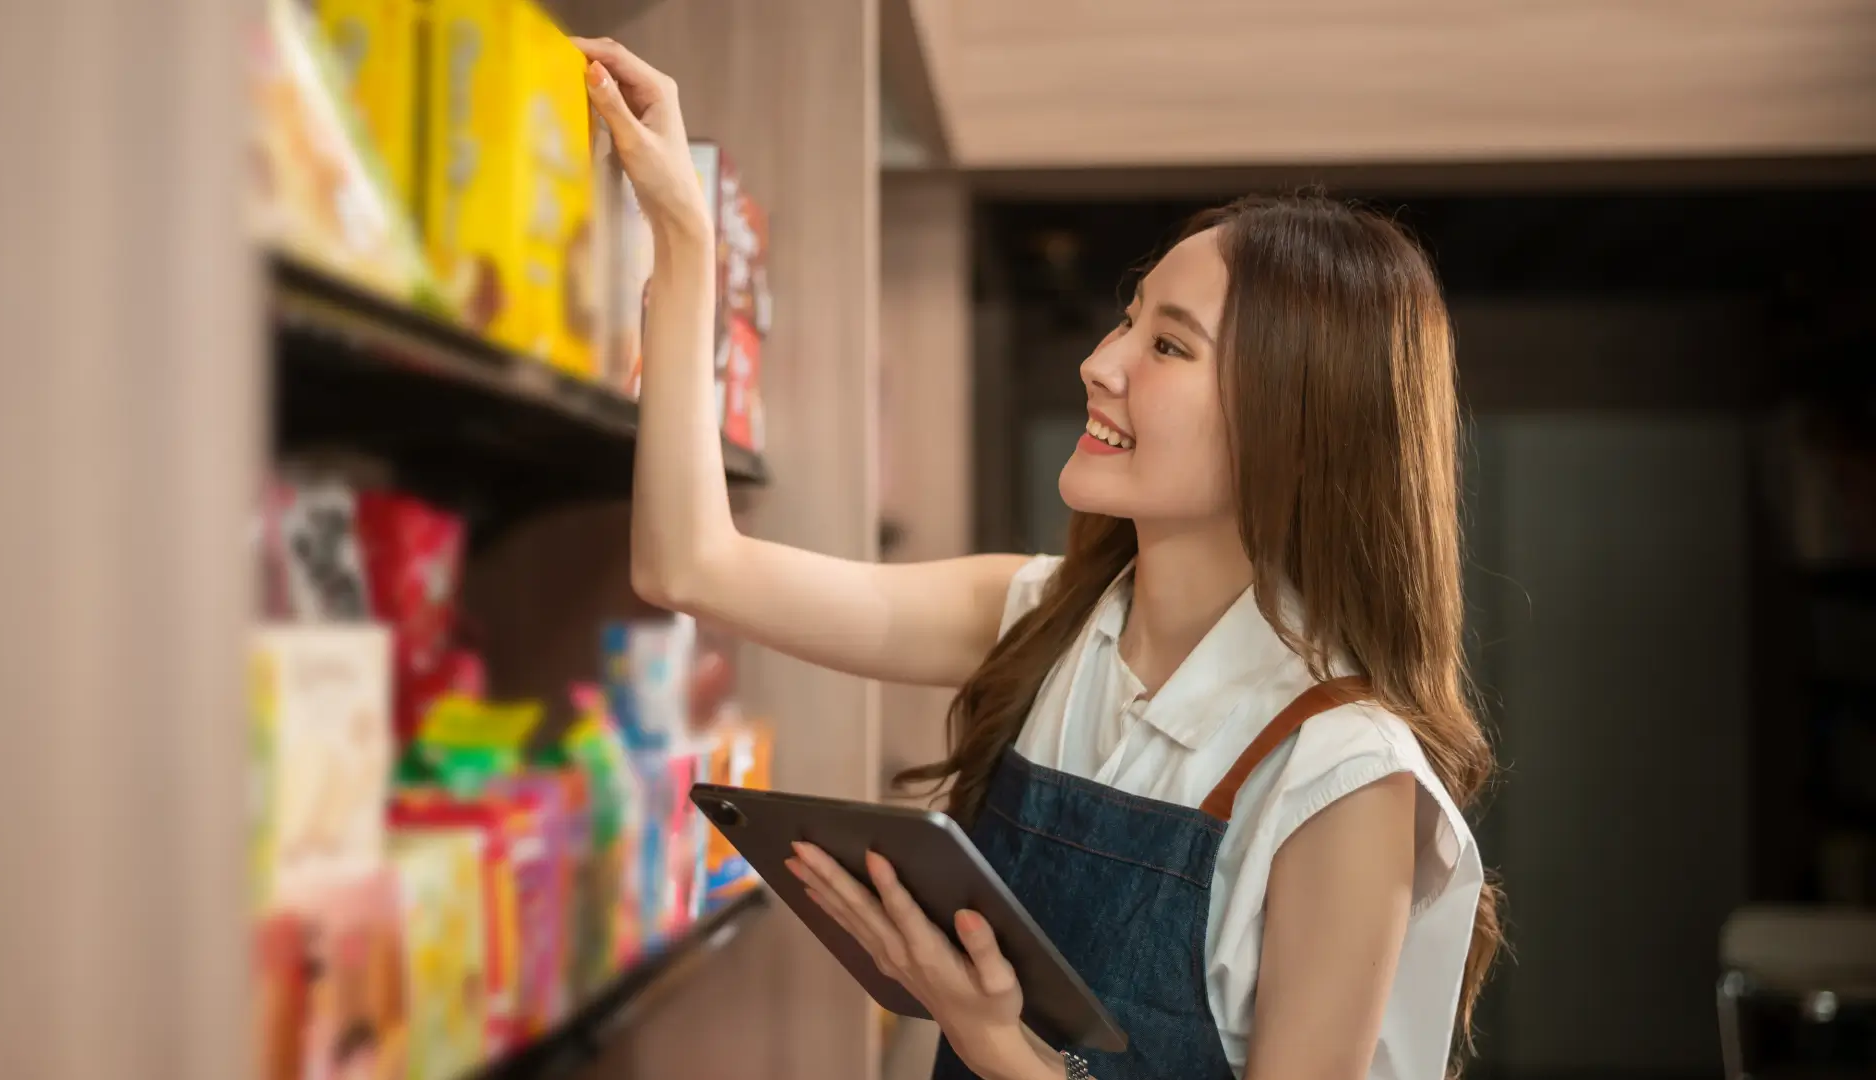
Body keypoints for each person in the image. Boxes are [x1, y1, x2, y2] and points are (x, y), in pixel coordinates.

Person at [575, 37, 1500, 1080]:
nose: (1099, 363)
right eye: (1128, 318)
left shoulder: (1344, 775)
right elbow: (689, 567)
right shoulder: (1040, 618)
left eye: (1168, 346)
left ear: (1293, 424)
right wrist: (684, 236)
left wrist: (989, 1039)